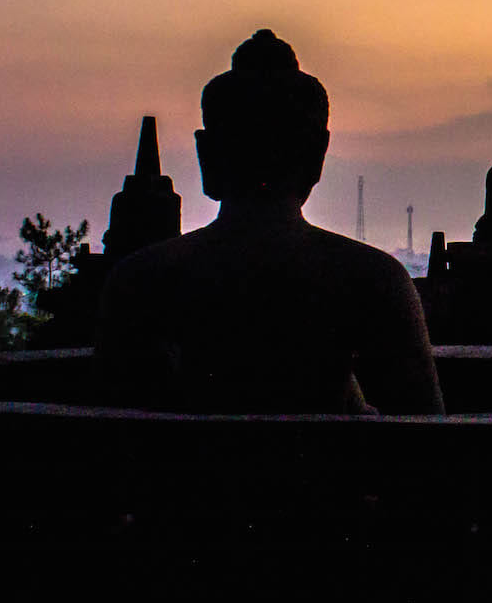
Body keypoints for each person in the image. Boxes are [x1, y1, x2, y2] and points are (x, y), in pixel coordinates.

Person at [98, 30, 443, 414]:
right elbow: (426, 432)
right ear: (317, 156)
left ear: (206, 155)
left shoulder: (140, 280)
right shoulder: (374, 280)